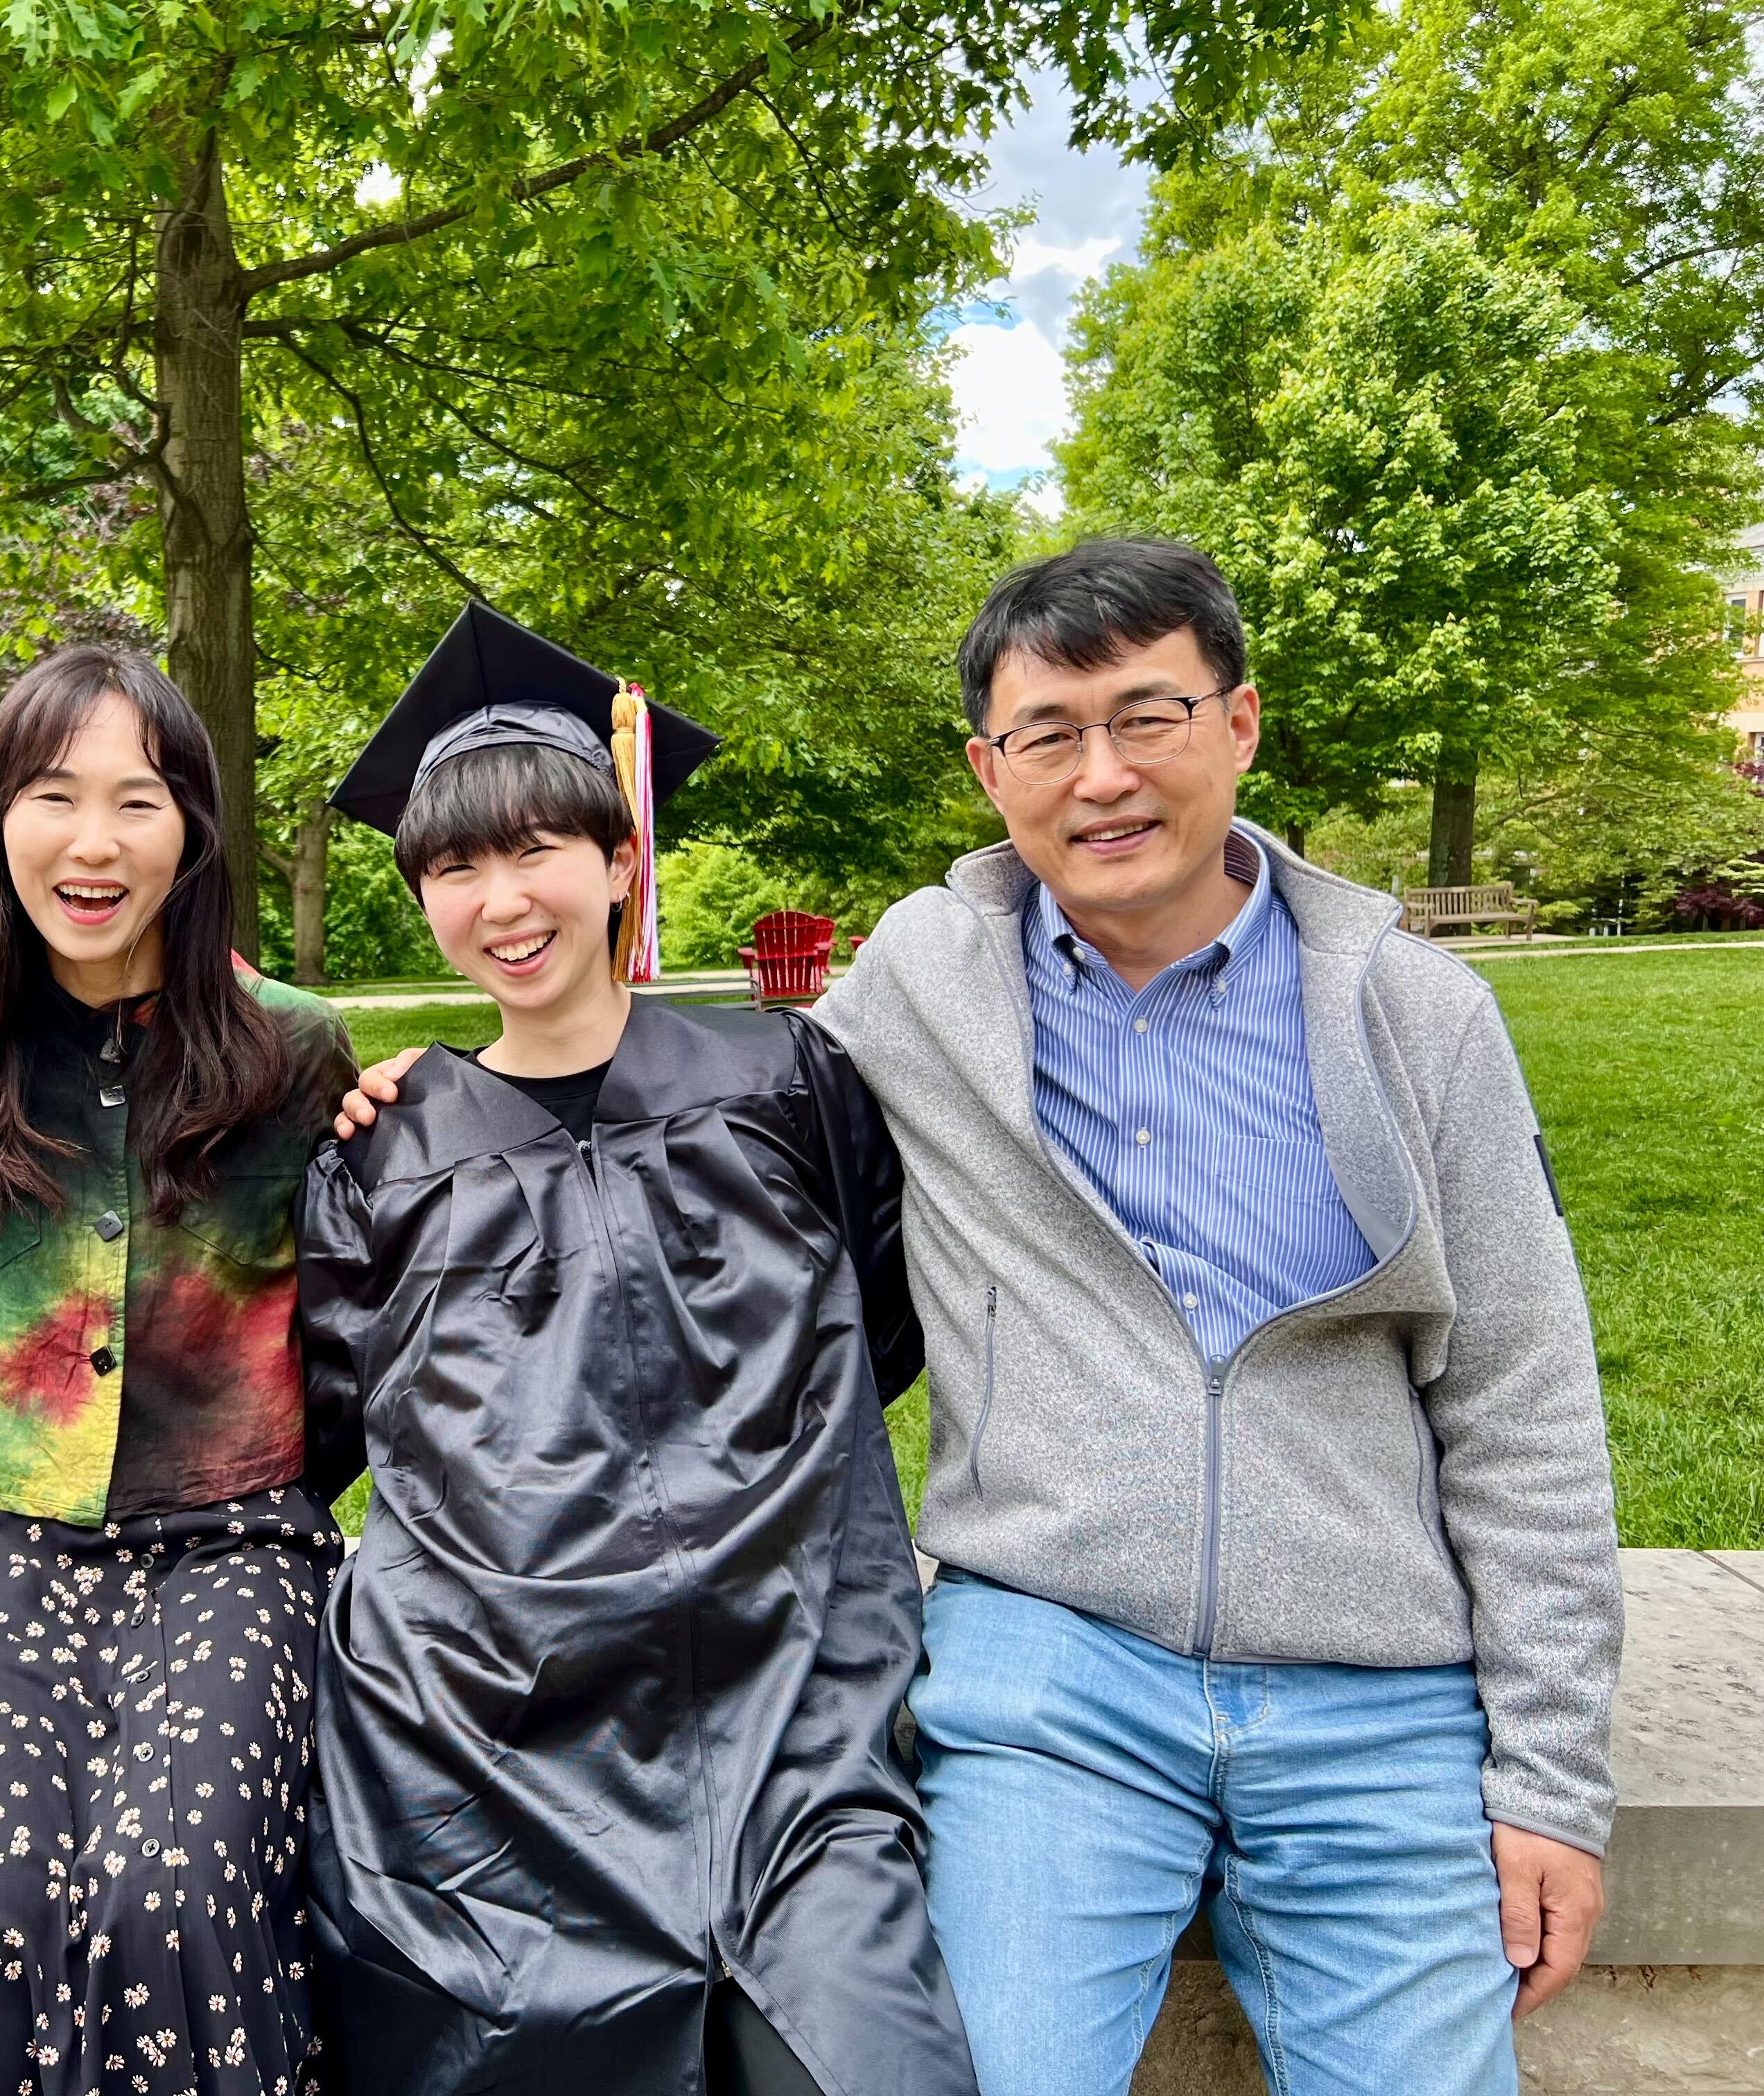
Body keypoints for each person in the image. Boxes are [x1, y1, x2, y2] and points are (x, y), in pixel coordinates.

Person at [344, 542, 1623, 2094]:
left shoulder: (1415, 1020)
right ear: (987, 767)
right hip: (1055, 1680)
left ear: (1241, 723)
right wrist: (432, 1096)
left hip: (1371, 1697)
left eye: (1147, 717)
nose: (1101, 777)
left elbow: (1526, 1398)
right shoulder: (920, 986)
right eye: (1047, 737)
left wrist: (1549, 1781)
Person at [297, 604, 976, 2096]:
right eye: (456, 866)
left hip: (791, 1688)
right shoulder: (388, 1149)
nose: (503, 897)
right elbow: (317, 1429)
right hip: (483, 1742)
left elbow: (882, 1327)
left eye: (541, 846)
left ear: (621, 861)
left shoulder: (780, 1076)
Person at [0, 644, 358, 2096]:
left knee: (174, 1882)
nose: (93, 841)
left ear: (191, 829)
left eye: (138, 801)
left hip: (237, 1543)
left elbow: (409, 1289)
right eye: (53, 795)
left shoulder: (294, 1053)